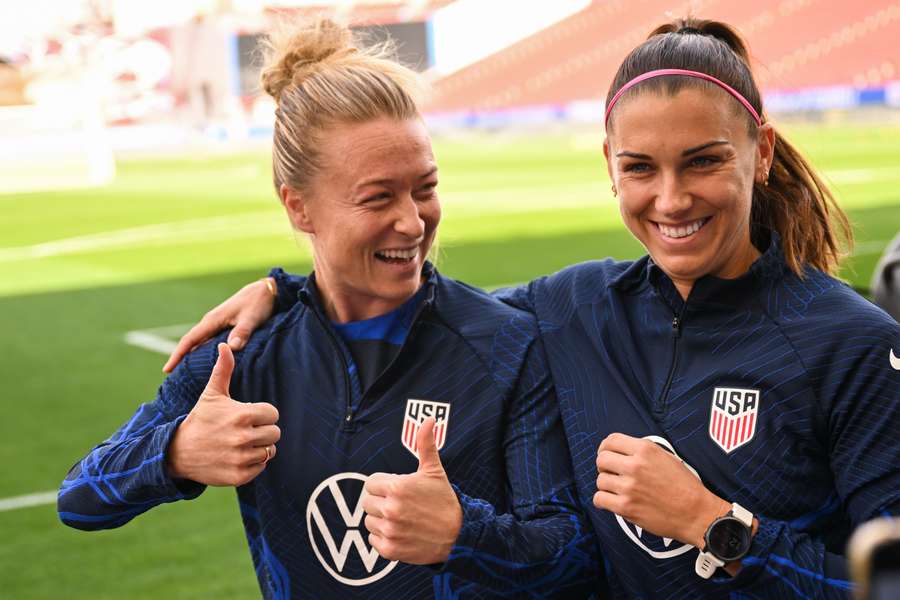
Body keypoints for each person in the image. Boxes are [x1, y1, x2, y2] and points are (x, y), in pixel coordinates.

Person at [169, 17, 900, 598]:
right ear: (609, 170)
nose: (671, 199)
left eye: (704, 161)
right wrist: (286, 292)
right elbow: (424, 307)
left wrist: (714, 525)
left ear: (762, 153)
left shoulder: (856, 346)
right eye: (640, 168)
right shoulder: (574, 306)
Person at [58, 19, 600, 599]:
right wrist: (176, 453)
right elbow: (80, 501)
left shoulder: (506, 346)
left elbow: (577, 559)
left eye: (425, 187)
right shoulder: (245, 357)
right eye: (378, 197)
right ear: (299, 208)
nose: (414, 222)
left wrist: (463, 534)